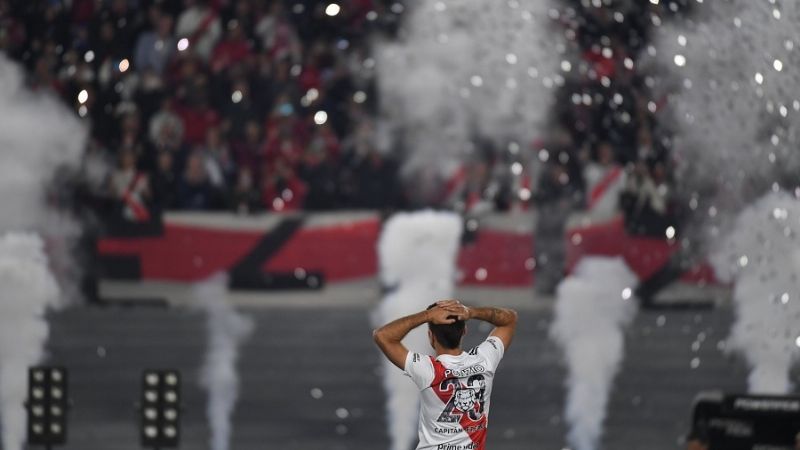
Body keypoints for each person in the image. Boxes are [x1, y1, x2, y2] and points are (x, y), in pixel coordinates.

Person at [373, 299, 517, 450]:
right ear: (464, 331)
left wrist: (427, 315)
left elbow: (382, 335)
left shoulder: (427, 370)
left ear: (430, 336)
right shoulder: (485, 361)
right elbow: (509, 319)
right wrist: (471, 312)